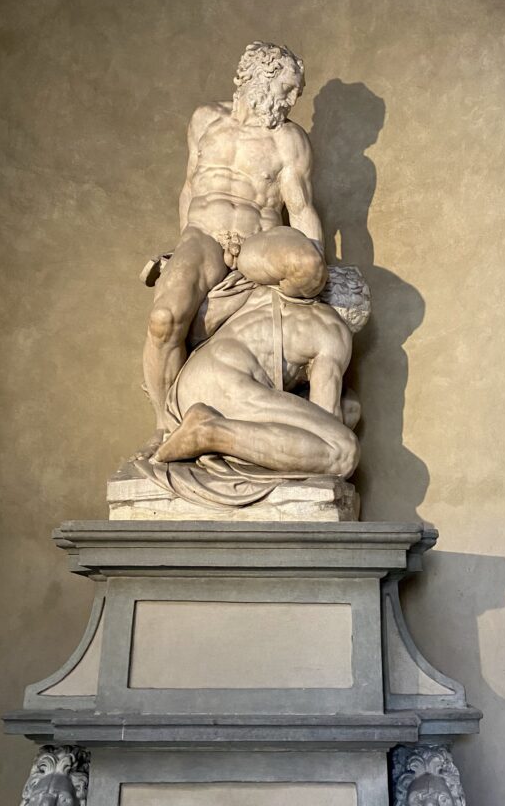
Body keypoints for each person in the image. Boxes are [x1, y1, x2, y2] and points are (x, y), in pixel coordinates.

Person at [141, 42, 327, 452]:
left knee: (307, 263)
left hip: (257, 242)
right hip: (203, 238)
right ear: (260, 75)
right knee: (163, 319)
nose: (291, 101)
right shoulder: (205, 119)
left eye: (296, 93)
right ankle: (167, 426)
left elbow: (301, 210)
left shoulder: (289, 140)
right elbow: (190, 189)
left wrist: (317, 278)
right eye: (287, 88)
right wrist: (183, 251)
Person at [148, 267, 370, 495]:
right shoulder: (334, 329)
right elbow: (327, 418)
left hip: (188, 387)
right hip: (228, 387)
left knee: (350, 407)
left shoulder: (266, 292)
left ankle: (207, 430)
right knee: (343, 452)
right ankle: (208, 432)